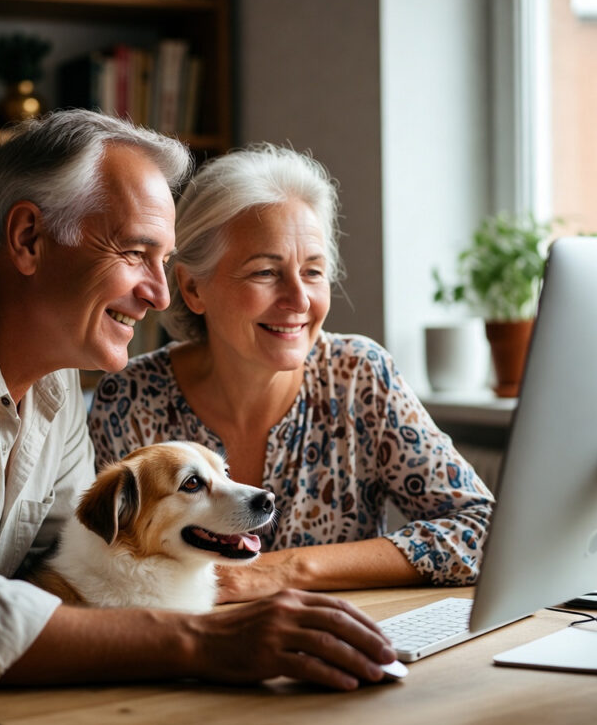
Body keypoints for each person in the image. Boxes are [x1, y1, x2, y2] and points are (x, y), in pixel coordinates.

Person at [0, 114, 397, 725]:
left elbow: (77, 573)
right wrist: (205, 643)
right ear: (28, 238)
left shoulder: (56, 389)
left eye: (164, 260)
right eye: (136, 253)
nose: (159, 294)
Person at [88, 143, 494, 604]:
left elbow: (481, 530)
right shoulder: (132, 396)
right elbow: (103, 561)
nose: (299, 299)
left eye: (314, 271)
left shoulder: (359, 376)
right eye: (265, 272)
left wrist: (289, 569)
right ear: (193, 287)